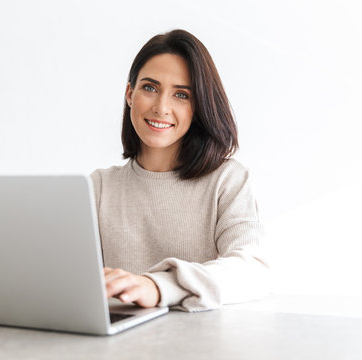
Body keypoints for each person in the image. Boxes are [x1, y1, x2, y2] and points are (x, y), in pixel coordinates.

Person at [91, 29, 271, 312]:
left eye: (181, 95)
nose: (161, 107)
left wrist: (159, 286)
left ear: (198, 107)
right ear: (130, 93)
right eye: (150, 88)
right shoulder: (98, 187)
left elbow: (253, 272)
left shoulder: (227, 180)